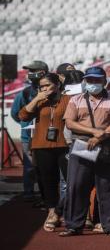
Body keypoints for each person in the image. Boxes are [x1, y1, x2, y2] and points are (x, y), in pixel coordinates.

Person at [61, 66, 110, 237]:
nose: (93, 83)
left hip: (106, 146)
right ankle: (74, 225)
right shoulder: (75, 100)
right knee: (76, 186)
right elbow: (70, 123)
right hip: (81, 145)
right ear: (85, 81)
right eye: (90, 80)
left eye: (97, 80)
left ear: (105, 81)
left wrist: (100, 136)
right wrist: (93, 133)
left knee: (109, 188)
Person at [18, 73, 70, 232]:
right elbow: (23, 116)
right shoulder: (39, 101)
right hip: (42, 146)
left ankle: (66, 211)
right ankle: (52, 212)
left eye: (48, 85)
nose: (45, 89)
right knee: (48, 181)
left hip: (64, 145)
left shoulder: (68, 100)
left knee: (70, 180)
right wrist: (36, 99)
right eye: (42, 86)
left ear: (58, 85)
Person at [11, 61, 49, 203]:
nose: (30, 73)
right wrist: (26, 123)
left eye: (33, 70)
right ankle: (29, 193)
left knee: (49, 166)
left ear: (43, 72)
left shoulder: (54, 90)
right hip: (29, 137)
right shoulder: (25, 93)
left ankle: (49, 194)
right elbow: (16, 113)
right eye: (29, 71)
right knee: (29, 167)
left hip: (49, 136)